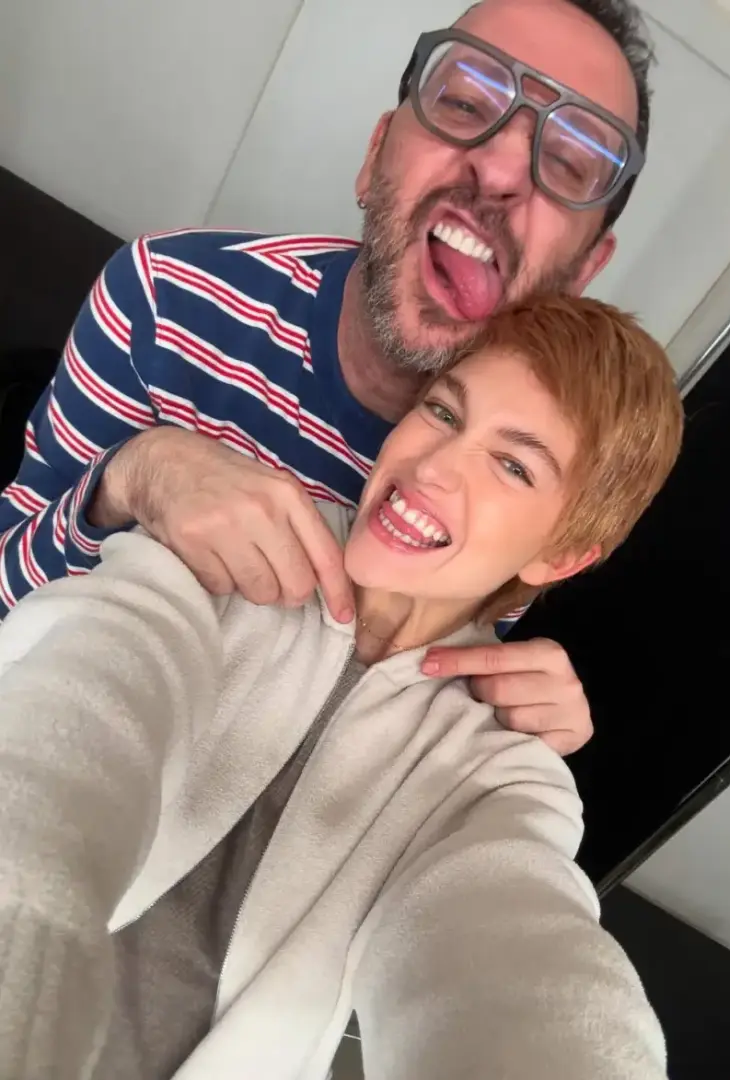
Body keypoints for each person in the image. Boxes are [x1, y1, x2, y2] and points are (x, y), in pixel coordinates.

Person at [0, 296, 683, 1079]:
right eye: (443, 412)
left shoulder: (501, 767)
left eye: (512, 465)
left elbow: (516, 959)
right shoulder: (231, 540)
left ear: (561, 557)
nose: (432, 466)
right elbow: (80, 708)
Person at [0, 0, 655, 755]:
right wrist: (128, 482)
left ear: (584, 271)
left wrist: (508, 731)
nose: (502, 170)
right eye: (467, 103)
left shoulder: (537, 487)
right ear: (375, 156)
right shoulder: (165, 297)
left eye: (570, 161)